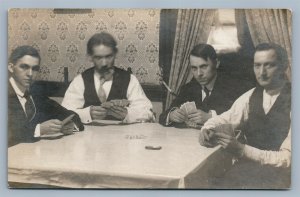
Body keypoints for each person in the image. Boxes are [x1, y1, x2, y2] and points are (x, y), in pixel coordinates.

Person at [199, 43, 291, 188]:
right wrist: (207, 129)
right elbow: (224, 118)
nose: (262, 72)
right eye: (257, 65)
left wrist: (241, 149)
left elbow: (287, 159)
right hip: (247, 173)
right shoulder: (251, 96)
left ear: (284, 67)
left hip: (280, 181)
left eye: (269, 65)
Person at [62, 32, 153, 124]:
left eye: (108, 56)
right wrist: (87, 114)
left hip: (121, 136)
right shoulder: (80, 80)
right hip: (89, 136)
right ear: (90, 57)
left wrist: (128, 114)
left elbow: (148, 113)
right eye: (98, 58)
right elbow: (64, 113)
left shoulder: (129, 79)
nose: (104, 63)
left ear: (115, 54)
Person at [8, 45, 84, 147]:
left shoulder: (35, 93)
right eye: (24, 67)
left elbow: (70, 115)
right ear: (11, 68)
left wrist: (69, 125)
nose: (30, 74)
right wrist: (39, 129)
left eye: (35, 69)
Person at [159, 44, 249, 128]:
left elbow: (242, 120)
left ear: (216, 63)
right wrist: (171, 115)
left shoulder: (233, 87)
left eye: (203, 67)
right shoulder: (189, 88)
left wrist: (210, 117)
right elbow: (163, 116)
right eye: (194, 68)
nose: (199, 74)